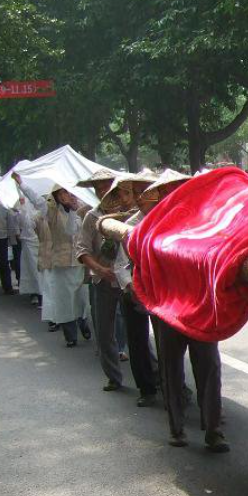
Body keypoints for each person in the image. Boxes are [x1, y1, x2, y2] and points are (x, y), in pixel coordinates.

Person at [114, 169, 187, 410]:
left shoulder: (175, 218)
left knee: (172, 346)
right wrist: (132, 287)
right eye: (134, 192)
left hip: (166, 293)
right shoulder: (131, 224)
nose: (138, 197)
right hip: (136, 288)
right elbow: (121, 264)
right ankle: (147, 388)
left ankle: (175, 388)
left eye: (142, 191)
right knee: (138, 341)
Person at [77, 172, 155, 393]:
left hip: (131, 280)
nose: (103, 191)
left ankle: (154, 375)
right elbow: (82, 250)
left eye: (107, 187)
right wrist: (100, 269)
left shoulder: (134, 215)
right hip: (104, 279)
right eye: (98, 188)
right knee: (104, 331)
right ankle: (113, 376)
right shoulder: (92, 217)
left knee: (138, 333)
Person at [35, 185, 92, 347]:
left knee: (81, 298)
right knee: (64, 300)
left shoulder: (82, 207)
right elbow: (37, 202)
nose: (65, 196)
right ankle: (70, 335)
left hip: (80, 261)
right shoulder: (51, 211)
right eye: (61, 193)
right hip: (61, 263)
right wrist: (21, 184)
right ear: (56, 195)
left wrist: (76, 207)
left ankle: (83, 323)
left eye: (67, 191)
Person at [13, 174, 44, 305]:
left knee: (42, 270)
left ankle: (42, 294)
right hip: (29, 241)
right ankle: (35, 293)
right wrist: (21, 209)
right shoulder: (22, 201)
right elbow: (22, 222)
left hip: (42, 242)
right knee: (32, 269)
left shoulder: (44, 201)